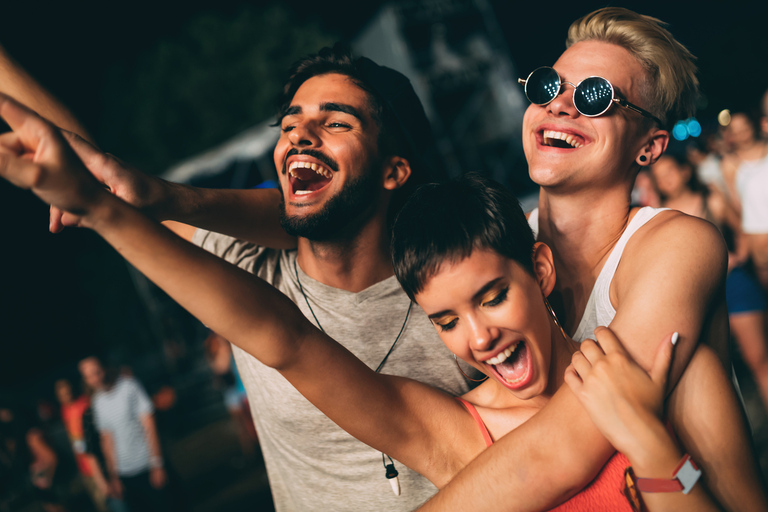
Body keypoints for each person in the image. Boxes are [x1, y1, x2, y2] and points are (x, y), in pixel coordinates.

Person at [1, 97, 758, 512]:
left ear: (541, 267)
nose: (481, 339)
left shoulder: (632, 360)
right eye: (448, 321)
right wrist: (100, 211)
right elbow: (284, 339)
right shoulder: (457, 432)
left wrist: (654, 453)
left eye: (492, 298)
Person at [0, 43, 477, 510]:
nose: (300, 135)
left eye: (334, 122)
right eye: (289, 124)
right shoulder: (249, 269)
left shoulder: (461, 299)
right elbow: (98, 177)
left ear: (394, 171)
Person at [414, 7, 765, 511]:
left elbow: (558, 450)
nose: (559, 105)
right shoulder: (499, 252)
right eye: (546, 86)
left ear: (649, 146)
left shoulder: (675, 245)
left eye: (595, 97)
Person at [651, 153, 768, 406]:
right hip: (696, 296)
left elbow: (742, 231)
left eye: (669, 171)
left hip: (733, 285)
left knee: (758, 360)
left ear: (685, 171)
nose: (666, 180)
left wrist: (735, 257)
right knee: (716, 375)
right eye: (659, 177)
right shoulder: (660, 216)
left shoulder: (711, 201)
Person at [77, 356, 170, 512]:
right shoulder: (97, 402)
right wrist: (114, 477)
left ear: (105, 368)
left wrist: (157, 463)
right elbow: (107, 440)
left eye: (97, 372)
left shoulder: (129, 386)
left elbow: (149, 424)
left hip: (147, 466)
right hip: (125, 475)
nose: (96, 378)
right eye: (89, 376)